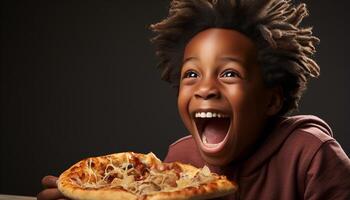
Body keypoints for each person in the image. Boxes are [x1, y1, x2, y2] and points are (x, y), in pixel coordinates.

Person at [37, 0, 350, 199]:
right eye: (191, 74)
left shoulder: (312, 155)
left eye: (229, 74)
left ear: (271, 100)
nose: (205, 89)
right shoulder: (178, 160)